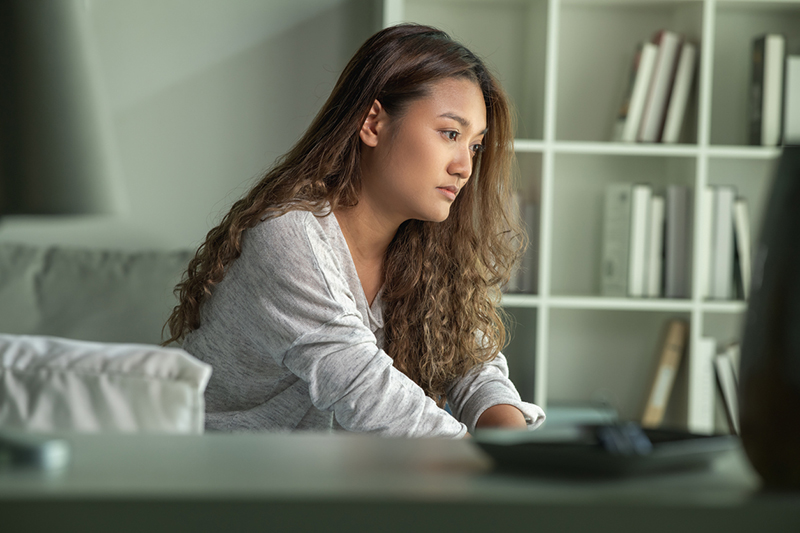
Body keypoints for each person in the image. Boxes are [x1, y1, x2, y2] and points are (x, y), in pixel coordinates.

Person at [164, 23, 545, 438]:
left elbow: (475, 368)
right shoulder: (288, 239)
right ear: (373, 124)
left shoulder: (425, 245)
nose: (465, 166)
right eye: (450, 134)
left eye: (474, 145)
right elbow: (368, 394)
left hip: (327, 484)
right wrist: (497, 470)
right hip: (218, 482)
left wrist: (517, 449)